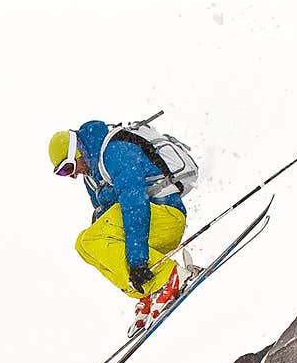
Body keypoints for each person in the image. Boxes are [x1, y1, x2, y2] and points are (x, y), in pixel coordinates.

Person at [48, 119, 196, 336]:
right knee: (83, 244)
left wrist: (138, 261)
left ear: (78, 151)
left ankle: (169, 277)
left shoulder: (115, 151)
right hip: (146, 231)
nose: (72, 175)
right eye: (63, 173)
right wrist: (137, 273)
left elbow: (134, 204)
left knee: (91, 239)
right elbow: (105, 221)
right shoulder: (92, 177)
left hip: (166, 218)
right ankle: (148, 290)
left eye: (68, 167)